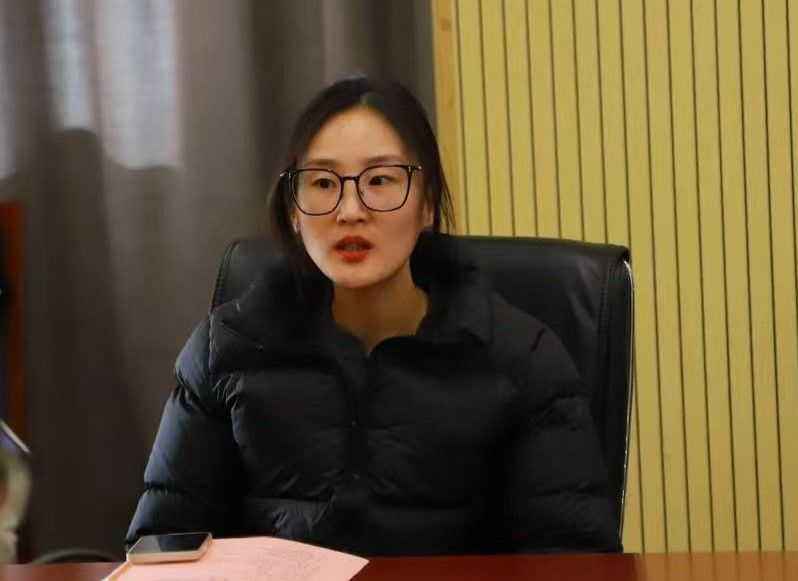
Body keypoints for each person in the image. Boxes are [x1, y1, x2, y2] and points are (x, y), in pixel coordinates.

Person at [126, 76, 620, 555]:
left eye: (380, 180)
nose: (350, 210)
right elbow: (163, 545)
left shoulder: (522, 358)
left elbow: (572, 557)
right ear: (294, 211)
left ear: (428, 204)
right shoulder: (227, 348)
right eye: (323, 182)